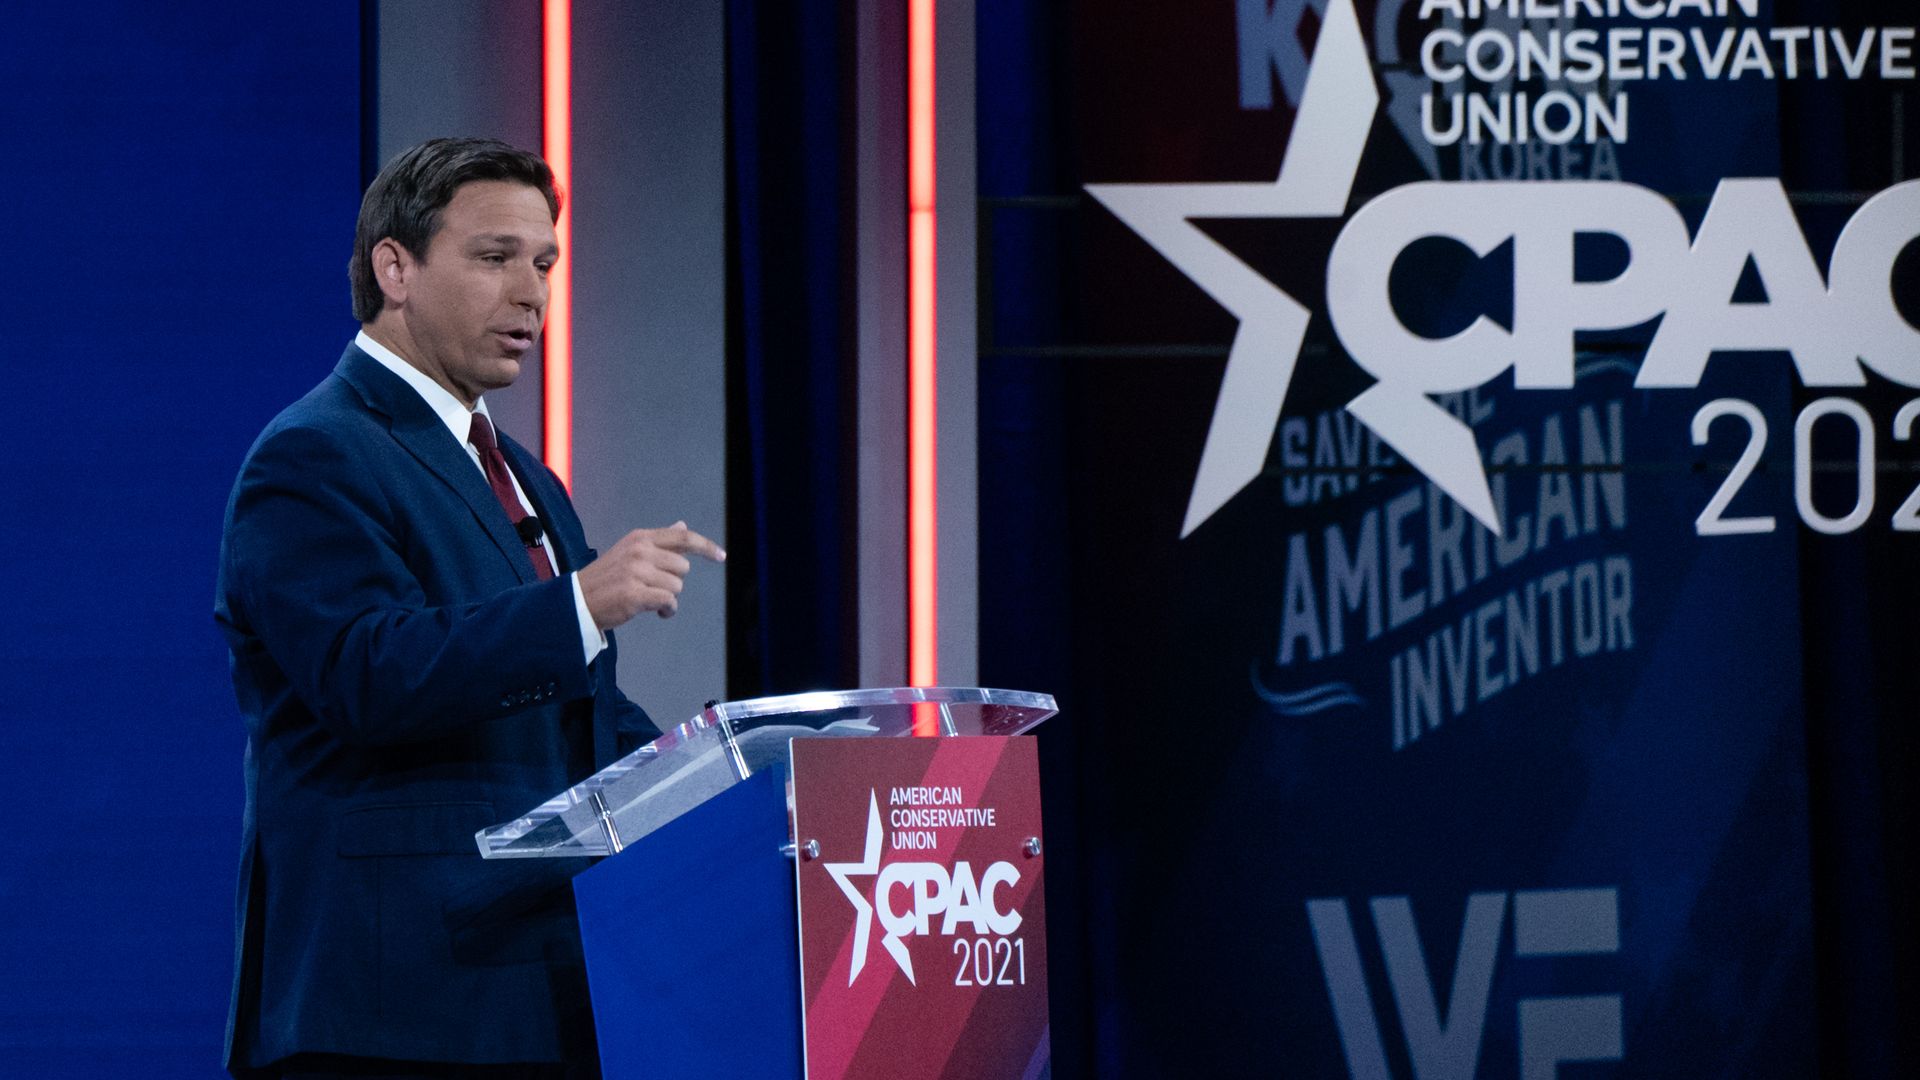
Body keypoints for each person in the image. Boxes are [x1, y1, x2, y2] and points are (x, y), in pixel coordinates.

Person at [215, 137, 723, 1079]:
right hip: (383, 1010)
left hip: (534, 993)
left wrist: (727, 779)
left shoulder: (525, 477)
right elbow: (369, 675)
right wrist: (580, 602)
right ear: (395, 268)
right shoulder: (313, 456)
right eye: (495, 258)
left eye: (544, 264)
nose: (531, 293)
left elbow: (580, 719)